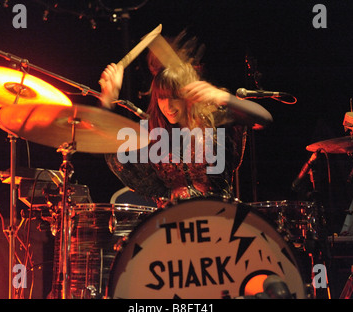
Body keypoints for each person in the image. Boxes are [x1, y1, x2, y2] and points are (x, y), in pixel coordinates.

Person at [98, 37, 273, 207]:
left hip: (219, 217)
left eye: (175, 97)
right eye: (162, 98)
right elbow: (106, 146)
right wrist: (107, 99)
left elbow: (264, 119)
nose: (168, 106)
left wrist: (223, 97)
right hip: (172, 224)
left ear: (188, 97)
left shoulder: (215, 121)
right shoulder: (153, 134)